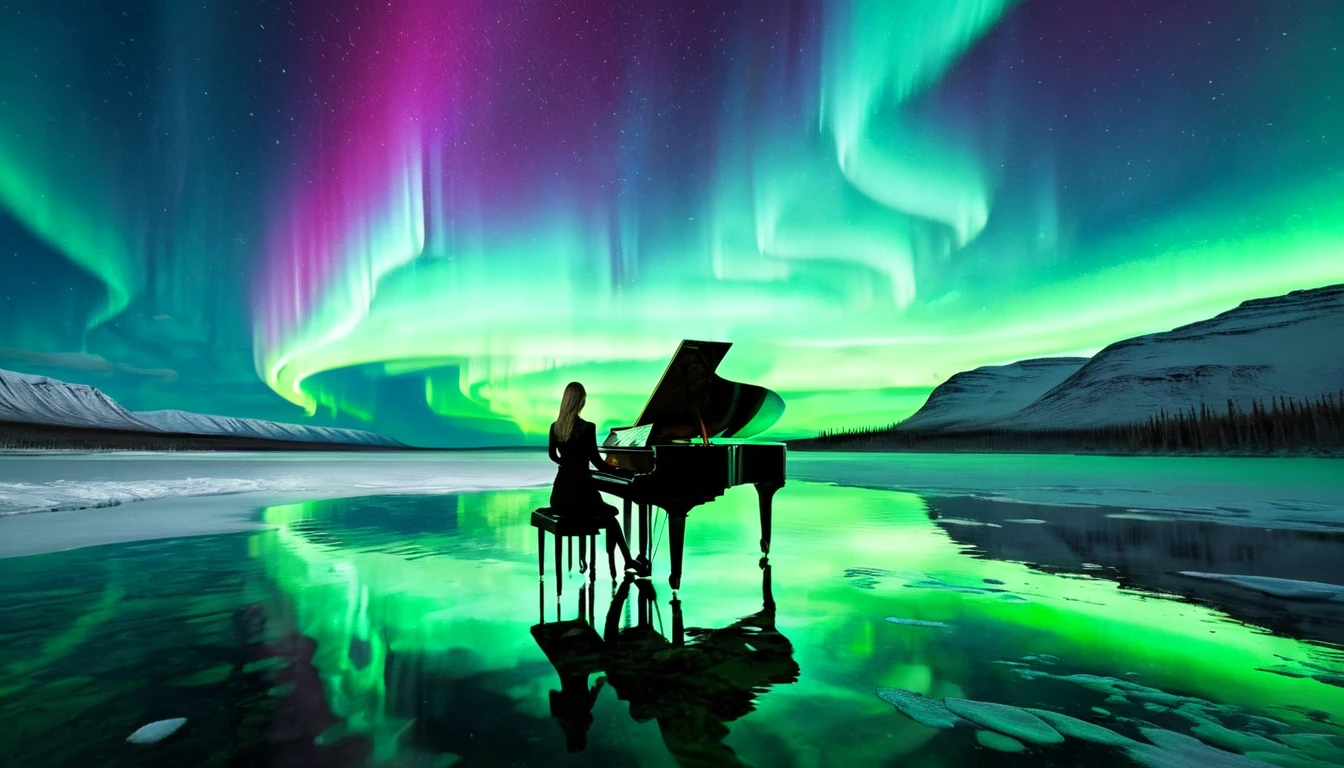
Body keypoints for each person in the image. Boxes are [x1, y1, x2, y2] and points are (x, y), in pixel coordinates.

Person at [548, 381, 649, 577]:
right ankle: (628, 561)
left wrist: (567, 464)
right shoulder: (587, 428)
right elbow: (598, 462)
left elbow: (552, 455)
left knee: (604, 511)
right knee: (611, 517)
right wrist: (621, 471)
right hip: (581, 492)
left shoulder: (555, 427)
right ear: (581, 401)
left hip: (560, 496)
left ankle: (622, 561)